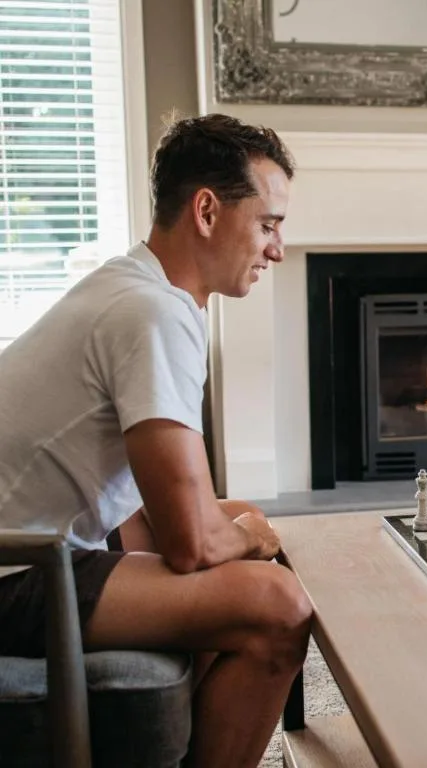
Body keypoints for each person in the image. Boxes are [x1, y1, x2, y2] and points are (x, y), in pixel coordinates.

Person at [0, 113, 312, 767]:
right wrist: (253, 532)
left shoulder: (135, 286)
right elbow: (191, 543)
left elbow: (182, 515)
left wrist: (240, 528)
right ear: (206, 210)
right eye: (268, 223)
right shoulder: (152, 313)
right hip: (19, 566)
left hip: (46, 538)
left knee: (238, 535)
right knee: (278, 604)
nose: (277, 248)